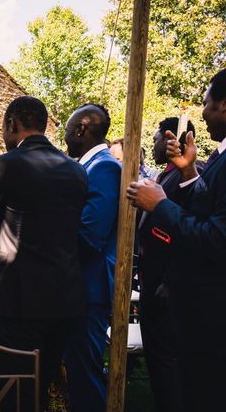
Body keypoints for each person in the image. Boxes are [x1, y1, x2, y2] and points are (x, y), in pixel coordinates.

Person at [0, 96, 88, 411]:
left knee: (13, 391)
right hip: (65, 298)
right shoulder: (76, 170)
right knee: (43, 385)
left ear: (12, 124)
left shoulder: (4, 164)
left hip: (20, 300)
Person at [127, 69, 226, 412]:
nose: (203, 113)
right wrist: (187, 172)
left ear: (225, 105)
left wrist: (162, 205)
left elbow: (216, 236)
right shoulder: (216, 161)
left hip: (209, 310)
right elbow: (205, 211)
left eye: (207, 103)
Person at [63, 104, 121, 412]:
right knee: (75, 369)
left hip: (89, 287)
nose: (65, 135)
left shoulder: (104, 168)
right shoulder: (90, 166)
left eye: (68, 128)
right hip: (78, 286)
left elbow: (90, 235)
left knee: (85, 374)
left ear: (82, 129)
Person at [136, 117, 198, 412]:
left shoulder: (184, 179)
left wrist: (169, 280)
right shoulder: (164, 177)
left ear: (176, 140)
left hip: (166, 285)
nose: (154, 142)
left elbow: (185, 233)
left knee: (166, 361)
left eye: (158, 137)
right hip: (152, 278)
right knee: (157, 360)